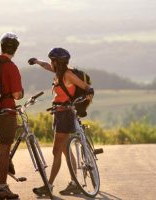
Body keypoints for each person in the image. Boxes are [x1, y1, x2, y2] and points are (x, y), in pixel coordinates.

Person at [28, 47, 94, 196]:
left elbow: (86, 87)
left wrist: (88, 94)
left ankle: (48, 185)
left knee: (56, 151)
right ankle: (74, 183)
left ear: (58, 62)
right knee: (64, 149)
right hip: (59, 113)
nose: (51, 63)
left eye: (53, 61)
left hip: (65, 115)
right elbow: (46, 66)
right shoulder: (58, 72)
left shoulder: (68, 75)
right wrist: (37, 61)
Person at [0, 32, 23, 200]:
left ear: (1, 47)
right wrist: (21, 94)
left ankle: (6, 162)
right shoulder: (11, 67)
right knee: (4, 149)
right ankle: (2, 188)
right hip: (6, 112)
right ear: (15, 49)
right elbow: (16, 94)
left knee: (5, 146)